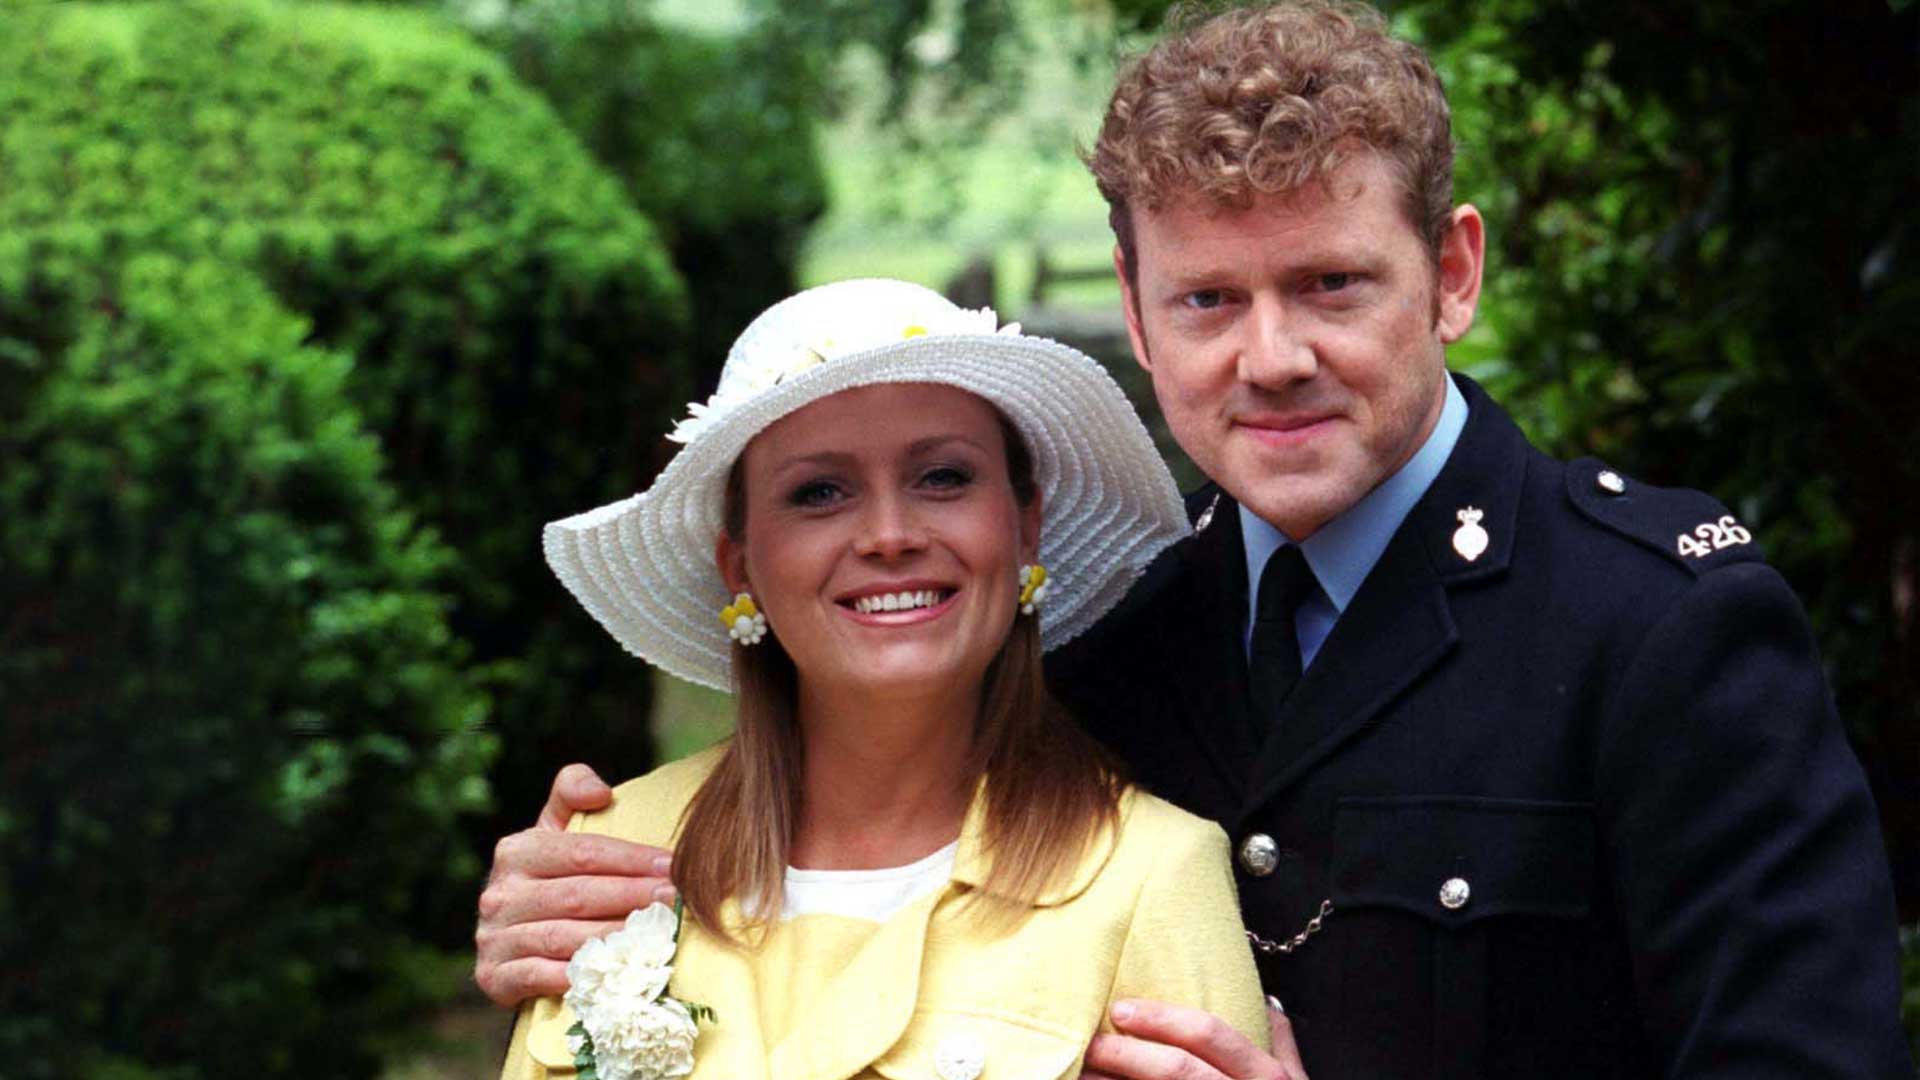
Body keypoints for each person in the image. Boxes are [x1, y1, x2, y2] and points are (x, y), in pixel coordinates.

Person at [478, 4, 1912, 1077]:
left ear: (1453, 272)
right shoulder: (1117, 645)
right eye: (1210, 300)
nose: (1270, 358)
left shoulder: (1654, 628)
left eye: (1331, 284)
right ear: (1136, 308)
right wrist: (580, 898)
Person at [495, 279, 1273, 1080]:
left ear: (1025, 528)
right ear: (740, 566)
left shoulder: (1152, 876)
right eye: (819, 492)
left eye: (942, 477)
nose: (889, 535)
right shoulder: (610, 854)